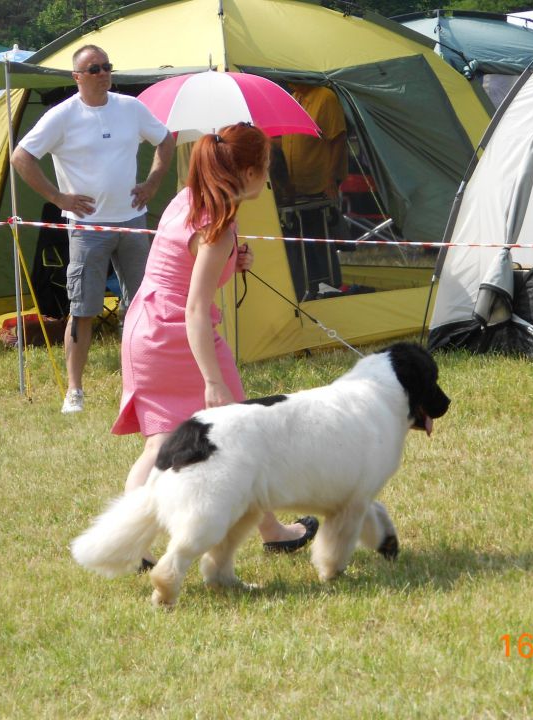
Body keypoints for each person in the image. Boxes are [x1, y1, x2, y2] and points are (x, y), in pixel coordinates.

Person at [111, 123, 319, 563]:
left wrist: (231, 260)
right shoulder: (219, 228)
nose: (268, 176)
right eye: (265, 168)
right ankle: (274, 531)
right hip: (178, 336)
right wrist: (213, 379)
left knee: (158, 447)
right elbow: (195, 308)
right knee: (242, 437)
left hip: (144, 330)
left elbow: (185, 258)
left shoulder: (188, 199)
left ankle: (133, 545)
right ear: (246, 174)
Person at [11, 44, 175, 414]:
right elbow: (21, 156)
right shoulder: (63, 116)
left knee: (143, 308)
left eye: (107, 67)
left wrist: (151, 184)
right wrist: (58, 197)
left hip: (133, 223)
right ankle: (74, 391)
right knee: (83, 309)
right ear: (77, 77)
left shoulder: (130, 108)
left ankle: (144, 382)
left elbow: (165, 140)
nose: (103, 74)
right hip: (87, 228)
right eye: (94, 69)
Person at [278, 83, 350, 299]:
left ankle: (329, 286)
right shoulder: (293, 96)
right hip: (295, 187)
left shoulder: (325, 97)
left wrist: (330, 179)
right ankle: (307, 288)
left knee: (319, 238)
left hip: (318, 186)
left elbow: (338, 138)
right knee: (300, 241)